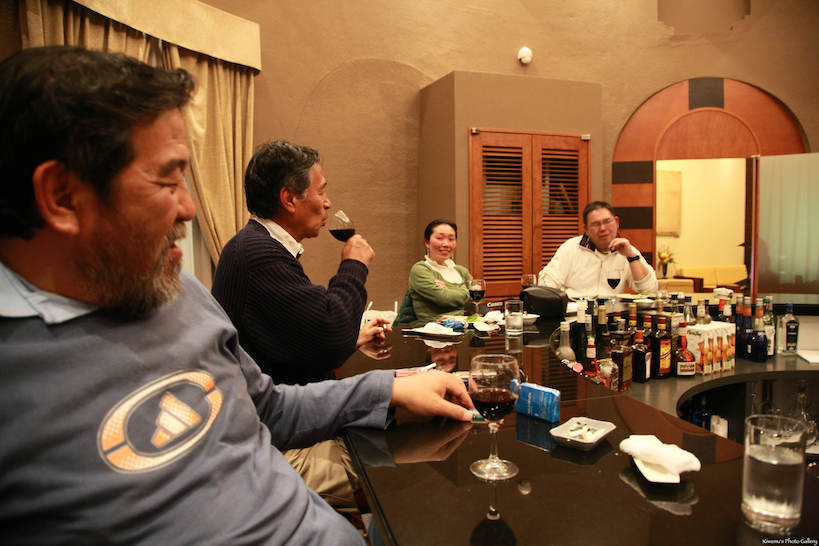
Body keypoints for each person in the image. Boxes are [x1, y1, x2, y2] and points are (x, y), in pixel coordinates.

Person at [0, 46, 474, 545]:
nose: (189, 208)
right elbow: (327, 335)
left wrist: (389, 387)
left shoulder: (177, 290)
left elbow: (268, 408)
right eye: (168, 180)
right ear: (62, 196)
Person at [212, 140, 389, 387]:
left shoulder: (255, 245)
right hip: (273, 410)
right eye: (321, 192)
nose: (327, 203)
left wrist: (353, 339)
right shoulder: (258, 256)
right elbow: (331, 335)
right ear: (289, 198)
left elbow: (297, 339)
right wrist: (354, 266)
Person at [538, 201, 657, 298]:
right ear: (586, 229)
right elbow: (546, 282)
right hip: (576, 313)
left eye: (607, 222)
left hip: (612, 314)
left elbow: (650, 290)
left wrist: (632, 257)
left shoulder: (628, 251)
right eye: (595, 224)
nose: (603, 228)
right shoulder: (571, 248)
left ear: (616, 222)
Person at [408, 219, 473, 323]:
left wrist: (449, 290)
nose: (446, 244)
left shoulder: (461, 271)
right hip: (434, 330)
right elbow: (444, 299)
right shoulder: (421, 269)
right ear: (427, 242)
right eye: (439, 238)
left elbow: (478, 300)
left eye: (451, 239)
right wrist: (466, 291)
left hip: (465, 328)